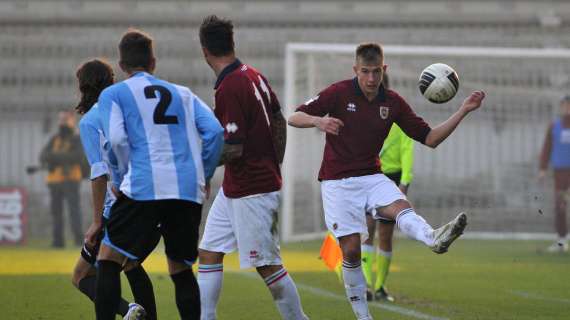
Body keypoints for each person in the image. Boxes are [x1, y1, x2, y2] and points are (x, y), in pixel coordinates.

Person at [288, 43, 485, 319]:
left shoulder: (392, 102)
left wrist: (464, 109)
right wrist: (318, 122)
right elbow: (293, 117)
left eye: (376, 72)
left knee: (400, 206)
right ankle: (363, 315)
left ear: (384, 69)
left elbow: (431, 138)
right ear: (356, 70)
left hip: (371, 176)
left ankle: (433, 238)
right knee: (352, 251)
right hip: (337, 182)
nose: (371, 79)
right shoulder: (338, 92)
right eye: (365, 72)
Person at [94, 29, 224, 320]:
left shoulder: (113, 93)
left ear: (121, 65)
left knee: (109, 258)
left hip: (143, 184)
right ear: (153, 62)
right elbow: (215, 132)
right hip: (186, 189)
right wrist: (203, 174)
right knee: (180, 268)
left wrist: (121, 176)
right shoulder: (184, 94)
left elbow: (115, 139)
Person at [197, 15, 308, 320]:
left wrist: (201, 166)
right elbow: (277, 118)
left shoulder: (231, 86)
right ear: (231, 43)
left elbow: (233, 148)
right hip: (238, 186)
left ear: (204, 50)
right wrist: (276, 161)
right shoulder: (252, 74)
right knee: (208, 252)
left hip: (252, 190)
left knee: (267, 265)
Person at [72, 58, 158, 320]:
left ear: (84, 87)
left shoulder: (91, 121)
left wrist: (97, 221)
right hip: (152, 197)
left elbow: (99, 173)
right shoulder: (128, 109)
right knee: (130, 263)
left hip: (118, 208)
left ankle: (129, 310)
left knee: (81, 276)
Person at [361, 74, 415, 302]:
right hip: (367, 177)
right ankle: (364, 287)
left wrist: (405, 181)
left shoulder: (396, 113)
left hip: (391, 180)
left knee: (385, 235)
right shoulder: (360, 113)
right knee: (366, 233)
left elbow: (407, 148)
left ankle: (380, 286)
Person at [39, 109, 86, 247]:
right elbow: (43, 156)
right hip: (54, 181)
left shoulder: (77, 138)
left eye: (65, 119)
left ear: (72, 121)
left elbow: (77, 157)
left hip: (71, 179)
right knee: (56, 213)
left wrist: (55, 157)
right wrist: (60, 158)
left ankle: (79, 240)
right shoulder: (55, 138)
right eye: (60, 119)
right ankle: (58, 241)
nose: (62, 122)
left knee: (74, 211)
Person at [539, 94, 570, 253]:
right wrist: (543, 169)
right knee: (560, 205)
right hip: (561, 173)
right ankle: (561, 241)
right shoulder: (554, 126)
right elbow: (547, 148)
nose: (567, 108)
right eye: (564, 105)